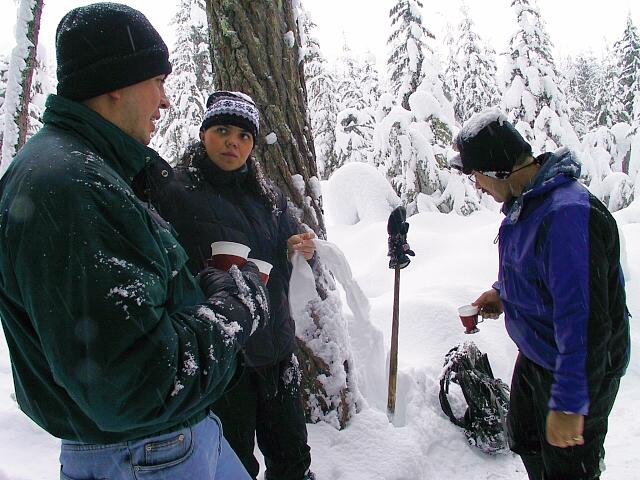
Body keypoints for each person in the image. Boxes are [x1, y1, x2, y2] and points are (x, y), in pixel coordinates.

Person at [0, 4, 269, 479]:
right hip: (147, 455)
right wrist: (234, 311)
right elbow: (137, 384)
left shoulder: (92, 172)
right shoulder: (73, 189)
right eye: (158, 82)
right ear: (117, 82)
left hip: (168, 441)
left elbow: (127, 321)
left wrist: (197, 287)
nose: (165, 102)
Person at [143, 91, 316, 480]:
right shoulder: (175, 192)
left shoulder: (268, 196)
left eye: (243, 135)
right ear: (204, 134)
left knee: (292, 460)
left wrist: (298, 244)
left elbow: (291, 239)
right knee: (231, 465)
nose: (233, 142)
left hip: (276, 350)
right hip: (224, 356)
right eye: (222, 130)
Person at [450, 108, 630, 480]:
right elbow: (536, 270)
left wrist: (569, 403)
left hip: (575, 368)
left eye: (477, 177)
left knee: (568, 471)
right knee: (528, 442)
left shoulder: (566, 216)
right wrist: (502, 293)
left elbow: (583, 320)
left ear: (500, 171)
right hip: (537, 357)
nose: (478, 186)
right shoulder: (527, 202)